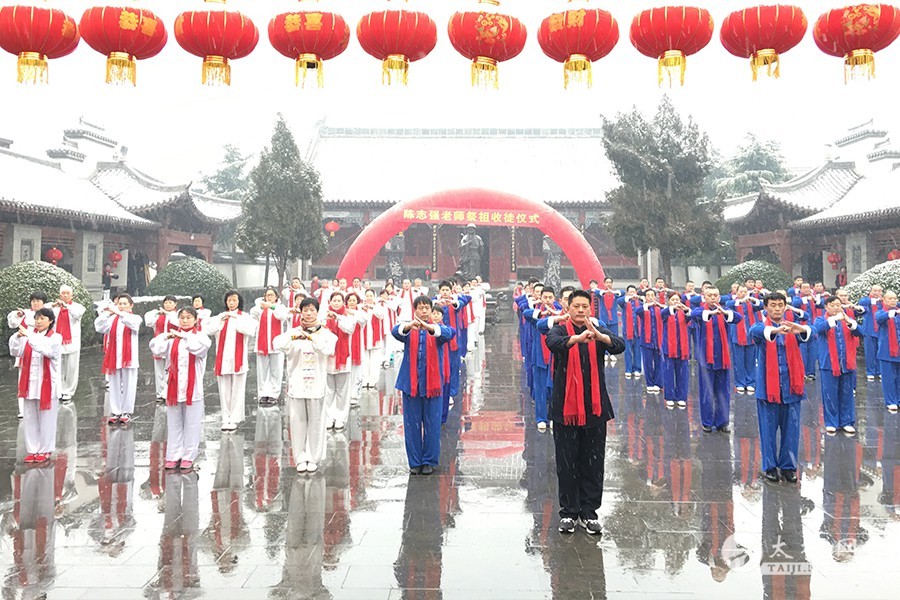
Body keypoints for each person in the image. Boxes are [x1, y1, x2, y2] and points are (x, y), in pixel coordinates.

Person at [546, 290, 625, 534]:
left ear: (591, 309)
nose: (581, 310)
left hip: (595, 407)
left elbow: (619, 346)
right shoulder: (560, 329)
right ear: (568, 308)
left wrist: (601, 337)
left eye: (585, 306)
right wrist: (576, 339)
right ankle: (569, 513)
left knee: (593, 462)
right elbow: (553, 343)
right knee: (567, 462)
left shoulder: (598, 331)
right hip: (565, 409)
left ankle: (589, 512)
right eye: (576, 306)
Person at [750, 292, 812, 483]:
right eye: (773, 305)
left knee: (791, 430)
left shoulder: (792, 327)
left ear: (785, 307)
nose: (777, 308)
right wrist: (776, 331)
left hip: (791, 388)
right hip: (768, 388)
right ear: (766, 308)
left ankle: (788, 466)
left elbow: (811, 332)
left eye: (780, 305)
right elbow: (755, 332)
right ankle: (769, 466)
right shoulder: (761, 327)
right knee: (767, 430)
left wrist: (799, 329)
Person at [275, 297, 338, 473]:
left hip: (317, 384)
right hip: (297, 384)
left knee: (316, 421)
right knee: (297, 421)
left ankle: (313, 456)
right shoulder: (293, 332)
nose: (308, 313)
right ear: (300, 312)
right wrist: (294, 337)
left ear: (317, 312)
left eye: (312, 310)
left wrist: (310, 336)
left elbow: (327, 350)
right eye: (305, 310)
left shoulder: (326, 334)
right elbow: (277, 343)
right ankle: (300, 457)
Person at [392, 296, 453, 475]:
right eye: (420, 308)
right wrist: (410, 326)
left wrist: (429, 328)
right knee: (411, 424)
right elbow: (395, 332)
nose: (424, 311)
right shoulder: (408, 329)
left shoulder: (438, 329)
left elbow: (450, 333)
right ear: (415, 310)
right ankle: (414, 461)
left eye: (427, 308)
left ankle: (429, 460)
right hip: (411, 383)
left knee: (432, 423)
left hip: (432, 384)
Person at [150, 307, 211, 473]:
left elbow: (200, 349)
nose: (184, 321)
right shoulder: (172, 338)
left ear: (195, 319)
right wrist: (166, 336)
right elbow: (155, 347)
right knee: (174, 421)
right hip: (174, 387)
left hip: (193, 388)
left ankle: (189, 455)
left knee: (192, 423)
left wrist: (184, 336)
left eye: (188, 317)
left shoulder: (200, 336)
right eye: (182, 318)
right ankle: (173, 454)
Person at [10, 307, 62, 463]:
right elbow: (15, 351)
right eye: (37, 318)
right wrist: (18, 337)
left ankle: (45, 449)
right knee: (30, 416)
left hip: (47, 384)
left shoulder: (55, 337)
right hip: (29, 383)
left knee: (47, 417)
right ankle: (32, 449)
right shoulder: (29, 336)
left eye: (42, 319)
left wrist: (29, 336)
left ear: (50, 321)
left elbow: (47, 351)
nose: (38, 322)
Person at [692, 287, 742, 433]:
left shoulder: (724, 311)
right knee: (706, 391)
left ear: (719, 297)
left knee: (723, 391)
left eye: (715, 295)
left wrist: (725, 313)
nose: (713, 298)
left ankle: (722, 421)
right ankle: (707, 422)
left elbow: (738, 318)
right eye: (710, 295)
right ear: (705, 297)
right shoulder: (701, 311)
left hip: (722, 357)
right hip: (706, 359)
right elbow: (694, 314)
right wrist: (711, 313)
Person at [204, 291, 256, 432]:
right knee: (224, 389)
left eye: (234, 300)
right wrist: (222, 321)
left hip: (238, 359)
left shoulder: (245, 317)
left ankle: (235, 418)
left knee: (238, 389)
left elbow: (250, 330)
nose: (232, 303)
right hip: (223, 359)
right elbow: (208, 330)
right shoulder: (221, 316)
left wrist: (235, 318)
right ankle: (226, 417)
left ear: (239, 301)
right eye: (229, 300)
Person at [814, 295, 862, 434]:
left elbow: (860, 332)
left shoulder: (846, 319)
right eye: (832, 305)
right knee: (830, 393)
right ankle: (831, 422)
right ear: (826, 307)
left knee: (847, 393)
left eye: (838, 305)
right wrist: (833, 319)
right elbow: (818, 329)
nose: (836, 308)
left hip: (846, 362)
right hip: (828, 363)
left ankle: (847, 421)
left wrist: (849, 321)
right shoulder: (820, 319)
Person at [95, 293, 142, 425]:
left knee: (129, 384)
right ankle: (116, 411)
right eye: (119, 304)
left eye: (124, 304)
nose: (121, 306)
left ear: (131, 305)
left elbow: (132, 323)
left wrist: (118, 312)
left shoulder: (135, 318)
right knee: (114, 384)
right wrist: (106, 314)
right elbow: (99, 327)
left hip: (129, 357)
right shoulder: (112, 319)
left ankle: (126, 411)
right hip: (114, 356)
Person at [523, 286, 561, 431]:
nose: (547, 300)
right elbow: (526, 313)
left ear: (554, 298)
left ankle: (553, 416)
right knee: (540, 389)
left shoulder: (559, 311)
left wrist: (555, 314)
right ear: (541, 298)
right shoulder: (535, 312)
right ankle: (541, 418)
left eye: (550, 297)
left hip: (555, 357)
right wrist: (542, 313)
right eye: (545, 297)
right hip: (539, 356)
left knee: (554, 389)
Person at [322, 292, 357, 430]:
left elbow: (349, 329)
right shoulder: (323, 316)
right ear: (330, 302)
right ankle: (329, 418)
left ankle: (341, 418)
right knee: (329, 391)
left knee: (342, 391)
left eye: (339, 300)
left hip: (343, 359)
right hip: (328, 358)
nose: (336, 303)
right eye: (334, 300)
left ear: (343, 302)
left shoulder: (349, 317)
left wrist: (338, 317)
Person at [433, 280, 470, 407]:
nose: (444, 292)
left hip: (453, 340)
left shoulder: (455, 301)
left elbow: (465, 300)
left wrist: (453, 301)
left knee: (453, 367)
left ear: (451, 291)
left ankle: (451, 392)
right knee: (440, 366)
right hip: (437, 341)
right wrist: (436, 303)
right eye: (442, 290)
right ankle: (440, 391)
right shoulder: (434, 302)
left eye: (447, 290)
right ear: (439, 291)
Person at [250, 287, 289, 406]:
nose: (269, 297)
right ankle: (263, 393)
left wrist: (271, 306)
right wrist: (261, 306)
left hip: (276, 343)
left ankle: (273, 394)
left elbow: (281, 316)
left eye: (272, 295)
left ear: (276, 297)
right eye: (267, 295)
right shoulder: (260, 308)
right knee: (262, 369)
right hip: (262, 343)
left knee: (276, 370)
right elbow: (253, 313)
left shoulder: (280, 307)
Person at [52, 285, 85, 402]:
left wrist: (67, 307)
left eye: (67, 293)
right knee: (58, 367)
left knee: (71, 367)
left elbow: (78, 315)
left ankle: (69, 391)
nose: (65, 295)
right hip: (58, 341)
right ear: (60, 295)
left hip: (72, 341)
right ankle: (59, 389)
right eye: (63, 293)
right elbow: (44, 312)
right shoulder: (54, 308)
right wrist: (54, 305)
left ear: (72, 295)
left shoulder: (77, 307)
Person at [727, 285, 763, 393]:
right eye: (741, 292)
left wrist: (752, 299)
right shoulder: (733, 303)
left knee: (750, 361)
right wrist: (740, 301)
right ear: (736, 293)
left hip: (750, 337)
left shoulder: (751, 304)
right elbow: (729, 305)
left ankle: (751, 382)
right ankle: (740, 383)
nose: (743, 294)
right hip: (737, 336)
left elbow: (761, 305)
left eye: (745, 292)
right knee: (738, 361)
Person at [144, 296, 179, 402]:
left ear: (175, 304)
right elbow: (148, 322)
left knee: (171, 369)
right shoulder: (158, 315)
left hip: (172, 344)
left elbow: (176, 322)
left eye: (170, 302)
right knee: (159, 370)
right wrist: (157, 313)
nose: (168, 304)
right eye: (166, 302)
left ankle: (171, 392)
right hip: (159, 344)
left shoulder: (177, 315)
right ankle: (160, 393)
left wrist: (167, 313)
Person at [661, 292, 691, 409]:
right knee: (668, 373)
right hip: (669, 347)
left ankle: (681, 397)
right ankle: (669, 396)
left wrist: (685, 309)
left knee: (683, 373)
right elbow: (663, 314)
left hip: (682, 348)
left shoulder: (683, 313)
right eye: (673, 300)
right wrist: (672, 308)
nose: (675, 302)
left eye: (677, 300)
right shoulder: (666, 312)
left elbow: (691, 316)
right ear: (669, 301)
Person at [635, 289, 664, 394]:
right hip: (646, 340)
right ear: (645, 297)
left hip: (658, 340)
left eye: (652, 295)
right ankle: (650, 383)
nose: (651, 297)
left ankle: (658, 383)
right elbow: (637, 311)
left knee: (659, 362)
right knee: (647, 363)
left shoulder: (660, 309)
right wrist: (647, 304)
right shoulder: (643, 309)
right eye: (648, 295)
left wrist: (660, 305)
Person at [792, 283, 823, 379]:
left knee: (812, 351)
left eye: (808, 287)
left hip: (812, 326)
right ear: (800, 289)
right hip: (801, 326)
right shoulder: (797, 298)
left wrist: (814, 299)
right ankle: (802, 372)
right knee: (802, 351)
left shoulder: (813, 298)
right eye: (804, 288)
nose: (806, 289)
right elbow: (795, 304)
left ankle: (811, 372)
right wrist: (805, 299)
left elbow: (822, 305)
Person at [876, 291, 900, 412]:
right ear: (884, 300)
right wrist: (893, 313)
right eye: (890, 298)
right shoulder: (881, 312)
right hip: (886, 351)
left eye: (894, 298)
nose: (892, 300)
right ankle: (891, 401)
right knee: (889, 378)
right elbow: (880, 319)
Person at [344, 292, 368, 405]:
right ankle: (346, 394)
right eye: (349, 300)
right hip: (345, 345)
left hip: (357, 345)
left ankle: (355, 394)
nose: (352, 302)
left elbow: (363, 320)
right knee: (346, 371)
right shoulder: (343, 314)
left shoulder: (361, 313)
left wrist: (352, 312)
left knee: (356, 371)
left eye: (354, 300)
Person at [360, 289, 387, 388]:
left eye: (371, 295)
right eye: (367, 295)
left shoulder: (379, 307)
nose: (369, 298)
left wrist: (372, 307)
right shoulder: (361, 308)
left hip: (375, 338)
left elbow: (381, 315)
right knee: (365, 359)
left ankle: (373, 380)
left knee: (375, 360)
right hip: (364, 337)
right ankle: (364, 379)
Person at [617, 285, 643, 379]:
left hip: (638, 331)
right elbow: (618, 301)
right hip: (627, 331)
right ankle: (628, 369)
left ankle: (637, 368)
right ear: (627, 293)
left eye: (634, 292)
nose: (632, 294)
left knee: (637, 351)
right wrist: (628, 297)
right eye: (630, 292)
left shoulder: (640, 303)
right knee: (628, 351)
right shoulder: (624, 302)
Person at [859, 285, 884, 381]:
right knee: (870, 352)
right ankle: (870, 371)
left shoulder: (883, 302)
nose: (877, 292)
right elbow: (861, 303)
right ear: (871, 291)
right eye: (875, 290)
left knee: (880, 351)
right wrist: (873, 301)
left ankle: (879, 371)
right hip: (869, 330)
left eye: (879, 291)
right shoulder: (866, 300)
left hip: (880, 330)